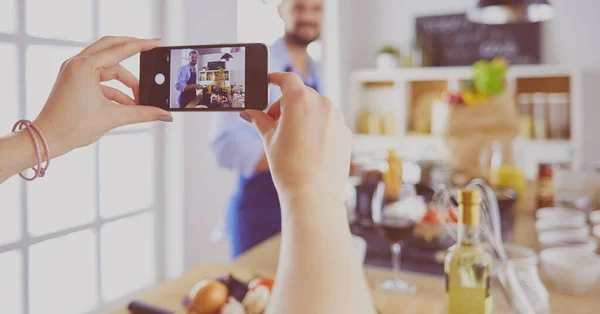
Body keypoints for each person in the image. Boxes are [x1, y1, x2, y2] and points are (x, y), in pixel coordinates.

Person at [0, 36, 375, 314]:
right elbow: (219, 136)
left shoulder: (318, 68)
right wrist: (310, 186)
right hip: (264, 206)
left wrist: (43, 137)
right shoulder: (229, 70)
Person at [210, 0, 324, 257]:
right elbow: (224, 145)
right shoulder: (250, 63)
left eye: (316, 8)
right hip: (260, 211)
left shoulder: (317, 70)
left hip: (302, 208)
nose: (308, 16)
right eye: (299, 7)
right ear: (280, 11)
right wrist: (290, 160)